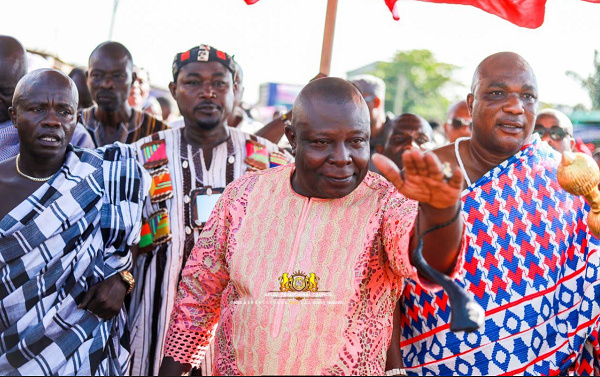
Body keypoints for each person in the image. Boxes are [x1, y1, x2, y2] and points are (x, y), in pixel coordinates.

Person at [158, 77, 467, 375]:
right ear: (293, 138)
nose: (342, 158)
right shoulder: (243, 196)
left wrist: (441, 211)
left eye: (356, 141)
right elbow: (196, 301)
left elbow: (430, 262)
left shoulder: (385, 203)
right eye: (322, 142)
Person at [399, 52, 600, 375]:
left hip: (541, 363)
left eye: (528, 96)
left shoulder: (561, 180)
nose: (515, 107)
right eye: (496, 93)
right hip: (427, 362)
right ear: (471, 102)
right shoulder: (428, 169)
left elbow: (589, 280)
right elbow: (391, 282)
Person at [128, 45, 291, 376]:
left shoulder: (273, 163)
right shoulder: (139, 157)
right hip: (152, 333)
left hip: (242, 342)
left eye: (219, 83)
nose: (207, 92)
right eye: (193, 82)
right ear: (174, 90)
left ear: (237, 90)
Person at [0, 68, 149, 375]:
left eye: (64, 111)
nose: (52, 120)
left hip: (80, 353)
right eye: (38, 109)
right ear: (14, 116)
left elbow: (141, 237)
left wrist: (123, 278)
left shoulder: (104, 175)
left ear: (77, 118)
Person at [0, 35, 94, 162]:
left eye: (5, 91)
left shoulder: (73, 136)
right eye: (38, 110)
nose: (52, 121)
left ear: (22, 86)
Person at [80, 42, 168, 147]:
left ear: (132, 79)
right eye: (97, 75)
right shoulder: (72, 124)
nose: (107, 84)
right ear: (87, 78)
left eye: (117, 76)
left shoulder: (157, 132)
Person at [349, 74, 393, 172]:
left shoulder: (401, 138)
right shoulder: (347, 137)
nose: (351, 108)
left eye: (357, 101)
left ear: (376, 102)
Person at [225, 60, 264, 134]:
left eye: (236, 81)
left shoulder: (258, 130)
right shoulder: (197, 131)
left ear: (242, 91)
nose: (231, 87)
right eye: (222, 82)